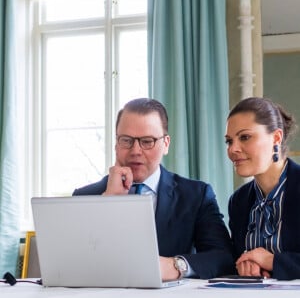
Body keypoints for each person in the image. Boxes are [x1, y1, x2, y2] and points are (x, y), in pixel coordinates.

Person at [73, 98, 234, 280]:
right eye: (126, 140)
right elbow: (71, 262)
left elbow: (223, 258)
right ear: (116, 144)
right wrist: (109, 203)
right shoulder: (85, 196)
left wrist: (175, 266)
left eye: (147, 141)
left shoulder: (196, 195)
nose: (135, 151)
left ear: (165, 144)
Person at [225, 96, 300, 280]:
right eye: (229, 141)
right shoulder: (239, 201)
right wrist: (246, 265)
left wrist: (273, 261)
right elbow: (237, 259)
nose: (233, 149)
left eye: (245, 137)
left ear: (276, 137)